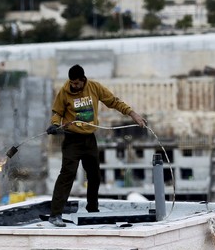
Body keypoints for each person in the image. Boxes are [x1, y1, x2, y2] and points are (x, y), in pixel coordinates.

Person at [46, 64, 146, 227]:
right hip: (72, 140)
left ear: (83, 80)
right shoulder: (64, 92)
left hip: (89, 139)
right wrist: (55, 124)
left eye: (77, 83)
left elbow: (113, 102)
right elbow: (57, 112)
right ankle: (55, 214)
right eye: (72, 83)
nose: (74, 86)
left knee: (95, 175)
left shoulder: (94, 87)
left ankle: (92, 209)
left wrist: (132, 114)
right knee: (67, 175)